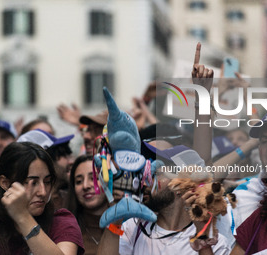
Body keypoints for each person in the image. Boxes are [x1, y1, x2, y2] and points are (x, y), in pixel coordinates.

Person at [97, 42, 230, 255]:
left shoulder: (215, 242)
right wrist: (115, 219)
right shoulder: (133, 228)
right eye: (145, 168)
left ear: (184, 179)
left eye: (156, 169)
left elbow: (202, 162)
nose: (146, 177)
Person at [0, 142, 84, 255]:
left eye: (47, 182)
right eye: (32, 183)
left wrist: (22, 216)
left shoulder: (62, 222)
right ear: (5, 183)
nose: (43, 192)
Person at [67, 155, 108, 255]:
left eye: (95, 178)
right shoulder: (67, 230)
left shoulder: (126, 225)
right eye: (79, 181)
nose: (85, 185)